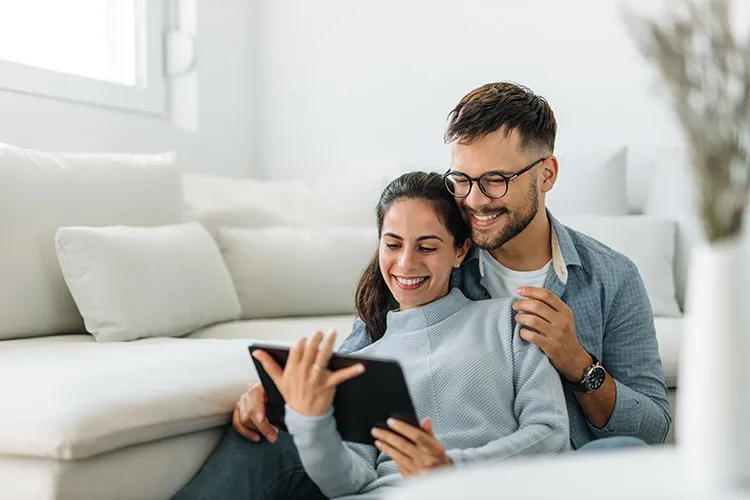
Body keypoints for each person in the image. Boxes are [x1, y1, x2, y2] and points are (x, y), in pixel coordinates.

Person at [174, 81, 671, 499]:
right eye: (462, 180)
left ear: (546, 175)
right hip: (404, 479)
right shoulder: (431, 261)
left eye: (495, 181)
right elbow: (356, 367)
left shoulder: (610, 277)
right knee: (267, 434)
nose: (474, 201)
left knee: (622, 457)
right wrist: (277, 395)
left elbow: (650, 427)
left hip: (546, 476)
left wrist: (579, 364)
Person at [175, 172, 570, 500]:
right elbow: (350, 482)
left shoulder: (508, 321)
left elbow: (551, 435)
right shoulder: (369, 357)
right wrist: (309, 419)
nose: (406, 263)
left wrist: (449, 469)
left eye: (427, 247)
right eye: (392, 244)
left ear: (461, 250)